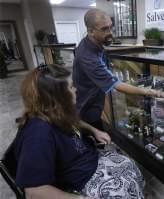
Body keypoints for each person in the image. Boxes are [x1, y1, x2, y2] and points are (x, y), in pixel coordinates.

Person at [14, 64, 144, 199]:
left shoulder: (52, 112)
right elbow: (34, 191)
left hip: (87, 161)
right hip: (79, 182)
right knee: (124, 189)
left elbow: (72, 121)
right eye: (71, 87)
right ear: (58, 96)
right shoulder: (38, 134)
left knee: (129, 164)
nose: (76, 89)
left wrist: (94, 130)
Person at [73, 8, 164, 130]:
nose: (110, 32)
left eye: (110, 27)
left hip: (95, 103)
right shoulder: (88, 56)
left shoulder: (93, 44)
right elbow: (116, 84)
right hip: (86, 109)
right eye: (104, 29)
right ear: (90, 31)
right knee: (93, 139)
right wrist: (151, 92)